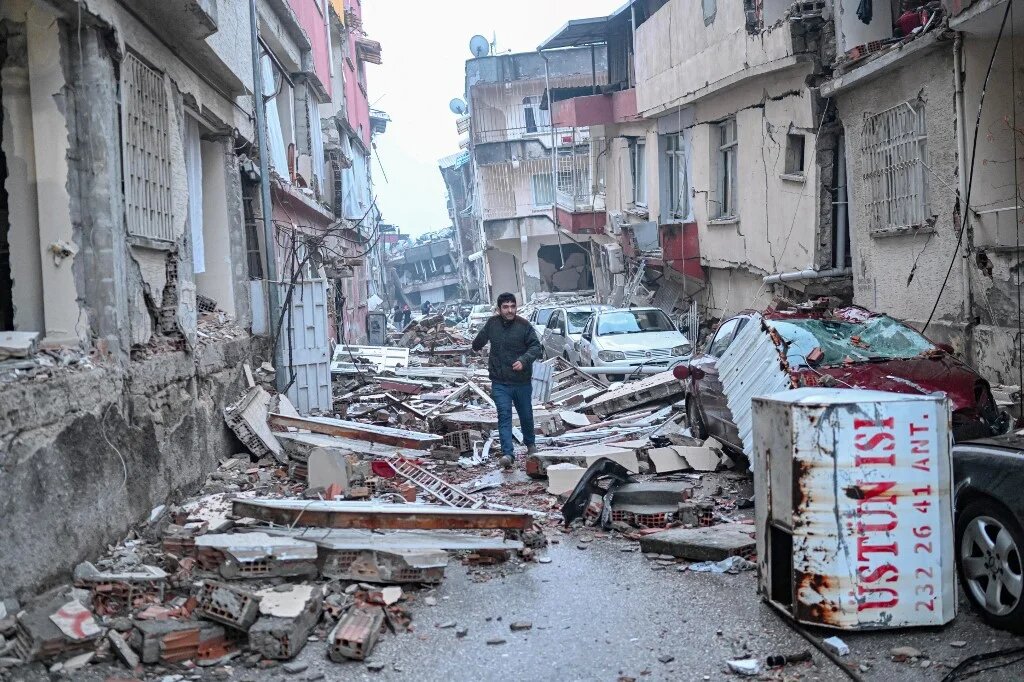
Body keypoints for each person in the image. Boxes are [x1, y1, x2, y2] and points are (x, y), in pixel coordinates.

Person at [471, 292, 542, 469]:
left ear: (516, 307)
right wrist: (476, 345)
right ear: (499, 309)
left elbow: (536, 347)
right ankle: (507, 454)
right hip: (500, 381)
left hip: (521, 381)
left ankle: (530, 445)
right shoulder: (492, 324)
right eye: (506, 307)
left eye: (512, 306)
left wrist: (524, 360)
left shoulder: (524, 326)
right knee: (504, 415)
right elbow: (478, 341)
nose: (510, 310)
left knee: (526, 415)